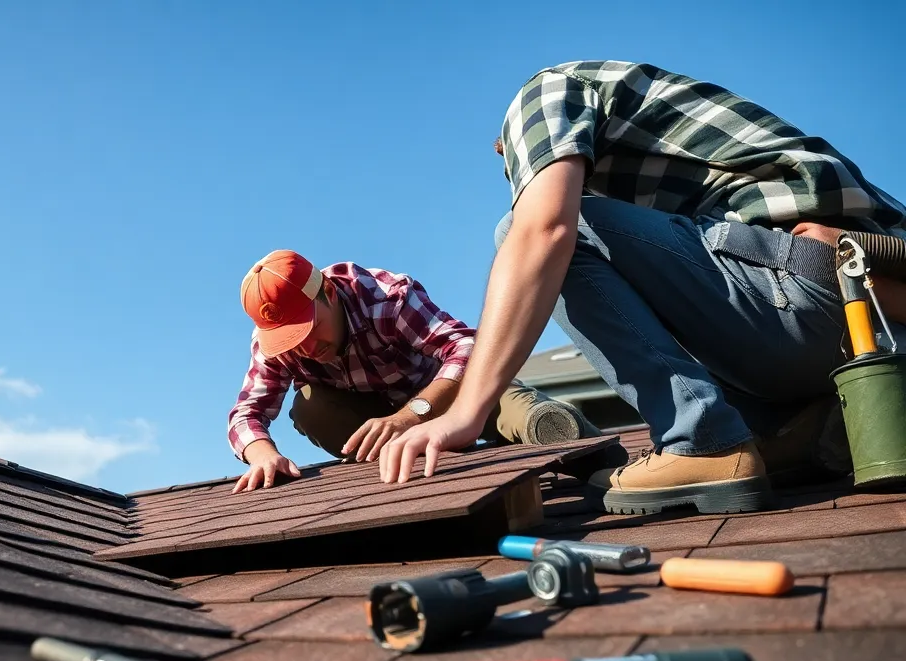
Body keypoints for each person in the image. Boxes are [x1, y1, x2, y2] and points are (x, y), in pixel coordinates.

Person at [378, 60, 906, 515]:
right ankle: (794, 431)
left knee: (533, 234)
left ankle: (701, 441)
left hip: (813, 300)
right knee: (602, 253)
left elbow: (545, 231)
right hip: (872, 351)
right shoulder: (655, 172)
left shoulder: (542, 98)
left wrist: (466, 414)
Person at [227, 249, 611, 493]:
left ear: (328, 292)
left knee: (539, 421)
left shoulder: (385, 297)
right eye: (290, 340)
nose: (306, 348)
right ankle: (403, 465)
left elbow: (467, 349)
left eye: (309, 331)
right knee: (309, 406)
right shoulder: (275, 344)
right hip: (377, 424)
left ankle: (605, 468)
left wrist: (411, 416)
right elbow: (247, 413)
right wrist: (262, 454)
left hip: (449, 396)